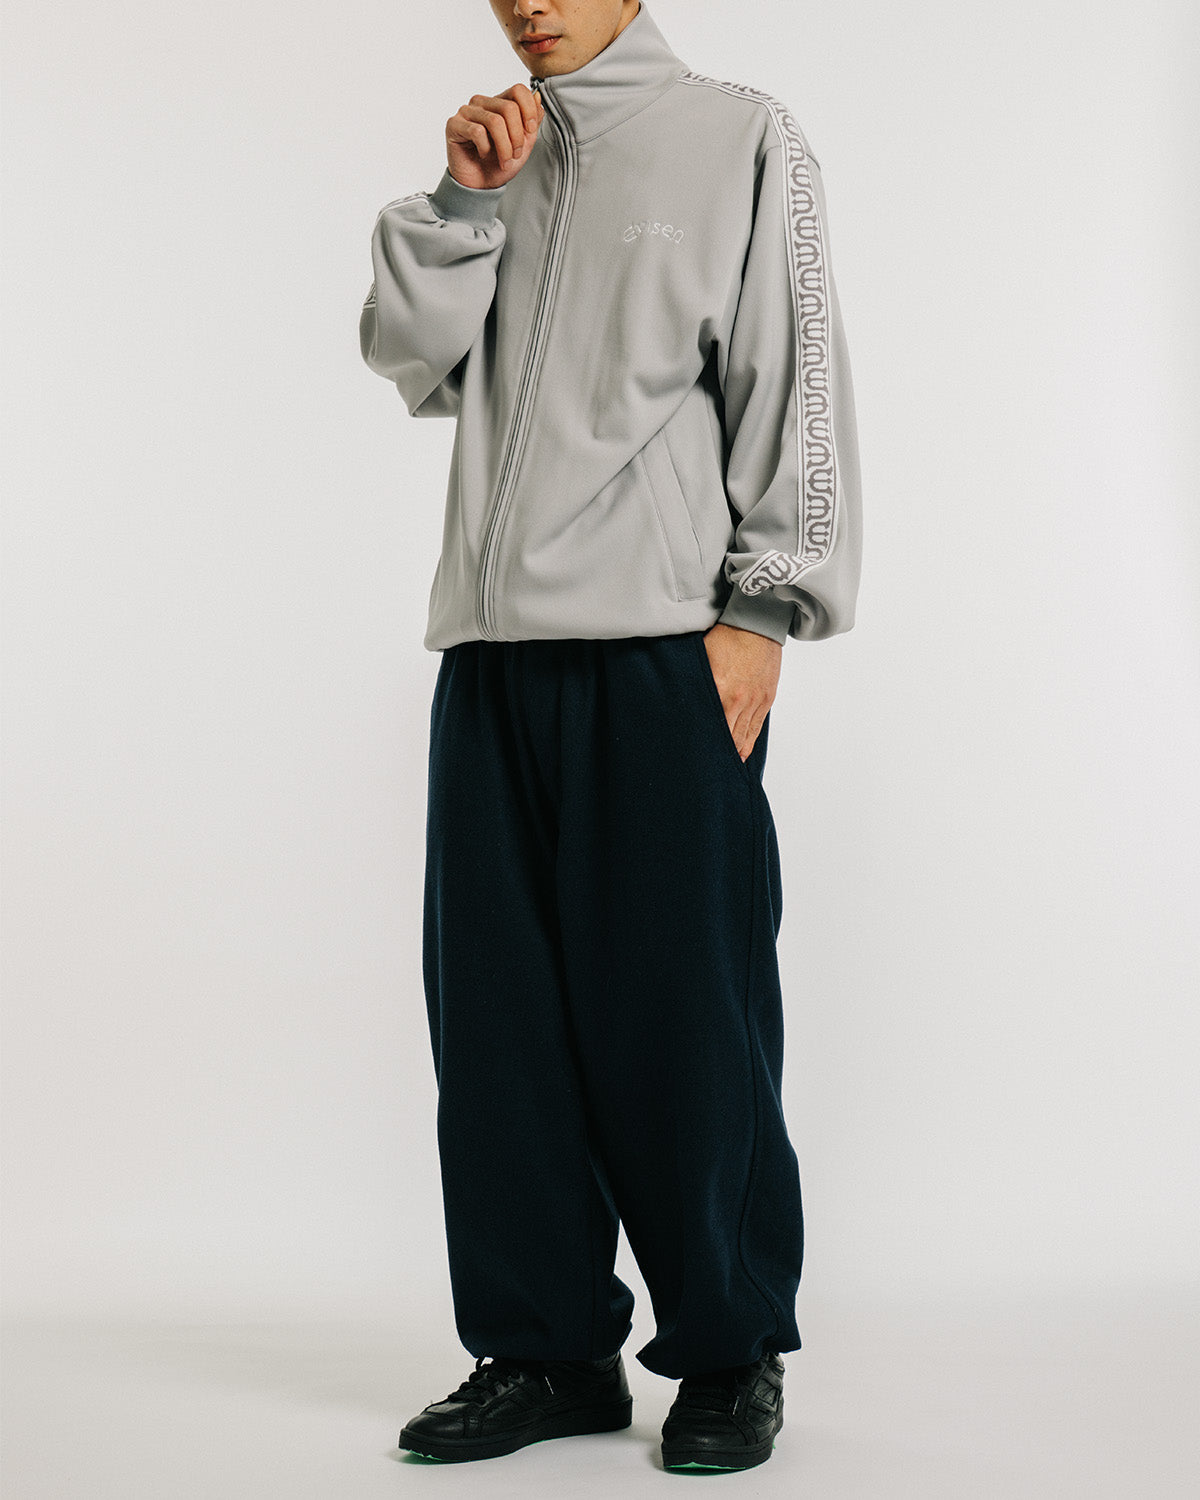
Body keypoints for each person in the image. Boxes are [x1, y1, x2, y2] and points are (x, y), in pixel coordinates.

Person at [358, 0, 862, 1473]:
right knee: (498, 1030)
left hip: (661, 656)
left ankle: (728, 1350)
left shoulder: (737, 136)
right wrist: (465, 201)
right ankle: (545, 1350)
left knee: (683, 1020)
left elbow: (795, 381)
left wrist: (763, 616)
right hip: (490, 661)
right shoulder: (498, 154)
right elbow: (408, 360)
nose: (527, 3)